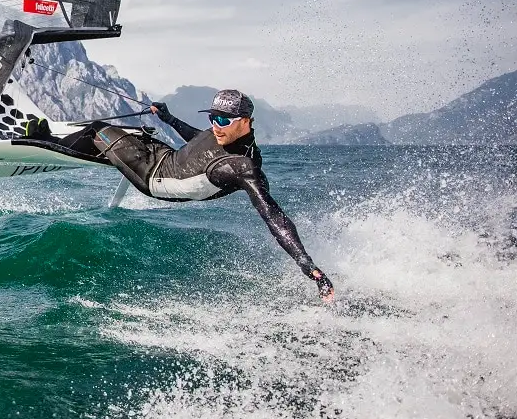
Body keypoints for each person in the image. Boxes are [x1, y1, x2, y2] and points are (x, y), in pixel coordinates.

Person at [90, 89, 335, 301]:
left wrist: (305, 262)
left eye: (223, 120)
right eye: (213, 117)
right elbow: (199, 141)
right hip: (164, 155)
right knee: (137, 133)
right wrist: (168, 119)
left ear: (246, 121)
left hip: (153, 176)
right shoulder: (223, 133)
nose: (216, 125)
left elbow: (272, 214)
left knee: (96, 129)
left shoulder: (243, 167)